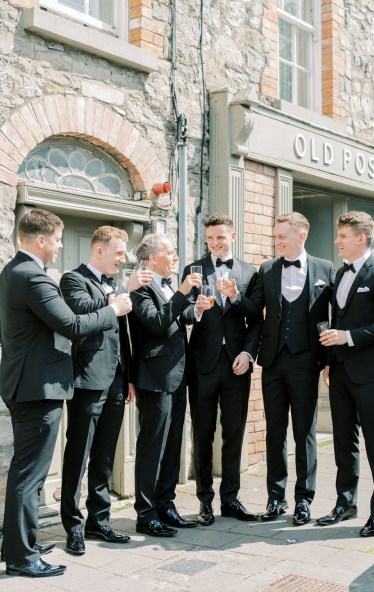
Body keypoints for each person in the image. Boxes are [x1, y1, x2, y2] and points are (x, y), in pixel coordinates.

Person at [0, 209, 132, 578]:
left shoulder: (12, 272)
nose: (60, 246)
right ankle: (22, 557)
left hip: (25, 382)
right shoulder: (33, 278)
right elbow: (73, 325)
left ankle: (15, 542)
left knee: (27, 472)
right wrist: (113, 308)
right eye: (57, 239)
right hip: (37, 386)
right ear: (40, 240)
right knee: (29, 474)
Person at [59, 226, 153, 556]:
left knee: (104, 456)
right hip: (87, 380)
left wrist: (127, 377)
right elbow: (81, 315)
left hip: (115, 381)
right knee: (78, 455)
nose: (123, 259)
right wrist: (118, 295)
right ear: (99, 250)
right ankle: (72, 526)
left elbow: (121, 333)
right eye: (118, 253)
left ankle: (98, 520)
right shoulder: (73, 280)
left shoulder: (114, 285)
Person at [242, 212, 335, 525]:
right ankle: (275, 498)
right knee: (274, 432)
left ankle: (304, 500)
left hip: (307, 360)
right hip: (273, 362)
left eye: (283, 235)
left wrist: (330, 361)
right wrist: (233, 298)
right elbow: (254, 310)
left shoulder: (325, 268)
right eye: (276, 235)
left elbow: (339, 315)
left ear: (302, 235)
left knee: (304, 432)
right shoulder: (267, 269)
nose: (277, 241)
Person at [317, 211, 374, 536]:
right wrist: (328, 359)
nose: (337, 241)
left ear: (360, 238)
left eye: (342, 236)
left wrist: (348, 337)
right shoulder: (340, 273)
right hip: (337, 371)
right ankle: (344, 503)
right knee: (343, 442)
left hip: (369, 374)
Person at [182, 213, 262, 525]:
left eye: (221, 237)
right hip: (202, 364)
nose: (215, 243)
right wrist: (197, 311)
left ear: (233, 236)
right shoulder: (194, 270)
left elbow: (256, 317)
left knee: (234, 433)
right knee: (203, 433)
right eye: (210, 238)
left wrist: (248, 352)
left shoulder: (248, 271)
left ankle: (231, 499)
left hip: (236, 365)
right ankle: (204, 500)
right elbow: (183, 312)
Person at [128, 233, 202, 537]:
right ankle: (145, 514)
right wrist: (183, 292)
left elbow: (178, 316)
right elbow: (158, 322)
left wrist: (196, 309)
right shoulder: (140, 289)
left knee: (173, 445)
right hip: (154, 378)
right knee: (152, 448)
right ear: (151, 258)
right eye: (170, 253)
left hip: (177, 376)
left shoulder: (167, 285)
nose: (175, 258)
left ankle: (166, 505)